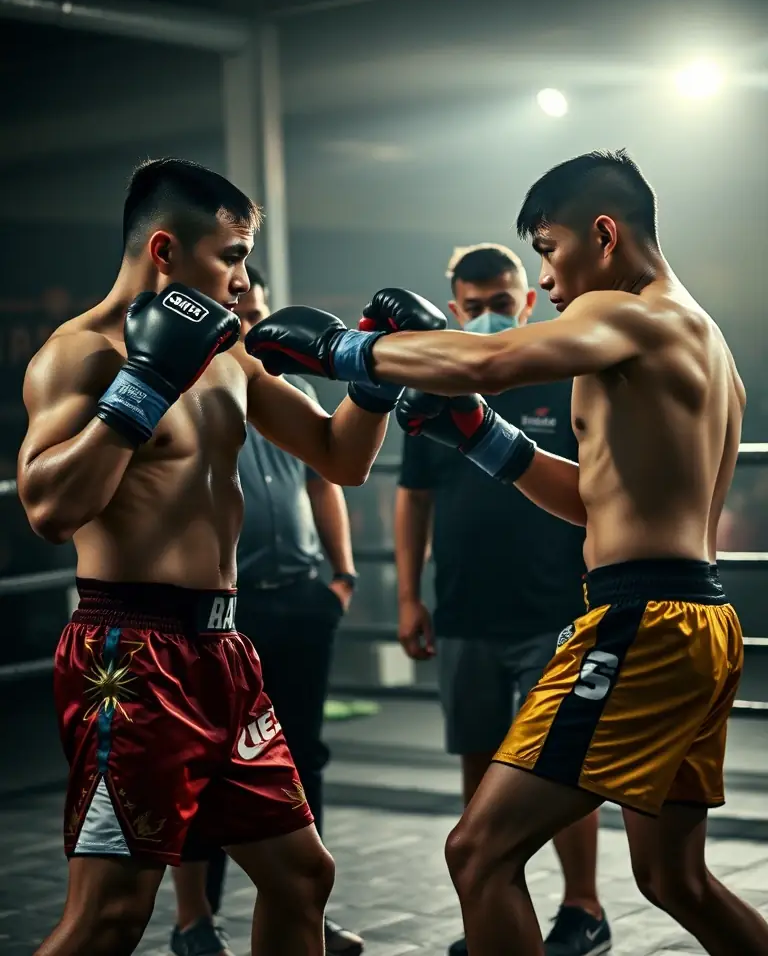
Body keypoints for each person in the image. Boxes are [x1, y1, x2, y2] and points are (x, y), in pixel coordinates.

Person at [245, 149, 768, 956]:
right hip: (694, 616)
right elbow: (596, 502)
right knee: (675, 880)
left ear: (604, 233)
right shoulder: (703, 341)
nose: (549, 285)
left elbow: (488, 358)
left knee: (478, 851)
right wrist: (485, 437)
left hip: (644, 623)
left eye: (551, 253)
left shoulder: (634, 316)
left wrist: (343, 352)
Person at [16, 157, 443, 956]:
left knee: (300, 877)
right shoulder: (80, 355)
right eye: (233, 255)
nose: (245, 279)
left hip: (223, 651)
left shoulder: (228, 356)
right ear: (166, 252)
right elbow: (47, 508)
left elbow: (336, 456)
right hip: (131, 654)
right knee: (108, 916)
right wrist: (143, 385)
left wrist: (377, 379)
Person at [395, 243, 610, 956]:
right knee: (479, 761)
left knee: (561, 768)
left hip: (555, 606)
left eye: (502, 299)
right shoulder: (440, 386)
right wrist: (407, 596)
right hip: (463, 605)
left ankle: (582, 908)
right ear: (454, 307)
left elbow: (597, 487)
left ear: (525, 300)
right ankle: (490, 907)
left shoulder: (561, 375)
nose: (489, 314)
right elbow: (412, 498)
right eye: (474, 304)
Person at [170, 268, 364, 956]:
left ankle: (302, 906)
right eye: (236, 311)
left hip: (299, 600)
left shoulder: (292, 392)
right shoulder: (189, 391)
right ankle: (196, 919)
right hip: (223, 609)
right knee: (206, 762)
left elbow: (327, 479)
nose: (247, 323)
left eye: (256, 312)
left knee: (301, 757)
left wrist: (338, 577)